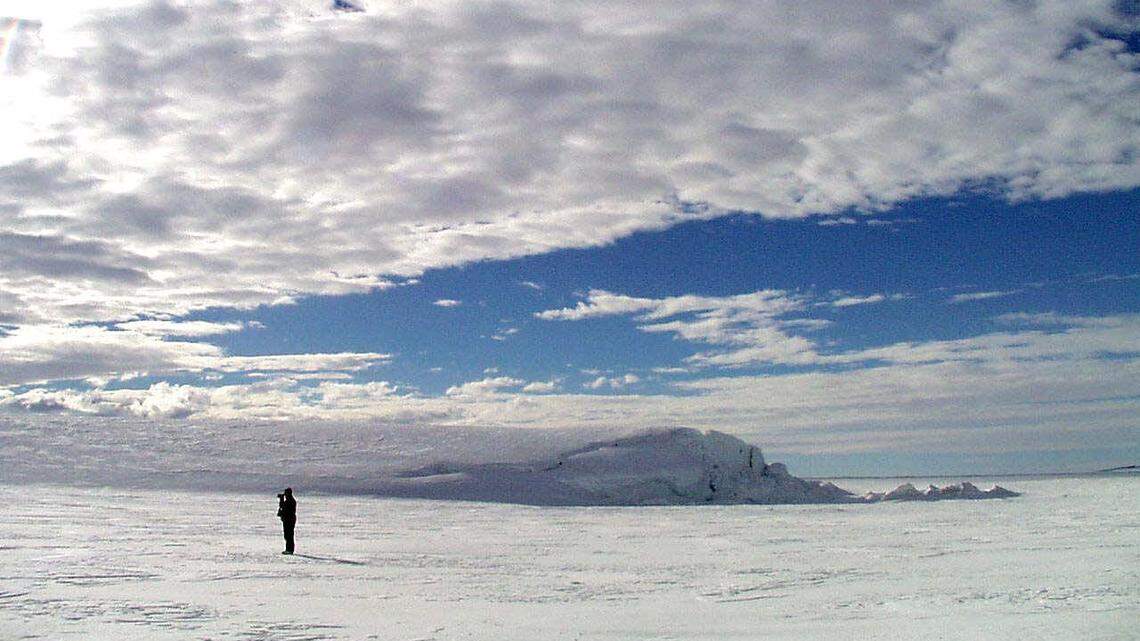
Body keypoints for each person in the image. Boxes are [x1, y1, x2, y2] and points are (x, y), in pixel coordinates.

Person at [277, 487, 297, 554]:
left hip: (289, 520)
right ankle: (288, 549)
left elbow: (284, 508)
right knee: (287, 535)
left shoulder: (290, 501)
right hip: (288, 519)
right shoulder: (289, 500)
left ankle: (290, 549)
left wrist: (281, 500)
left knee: (289, 535)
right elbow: (282, 506)